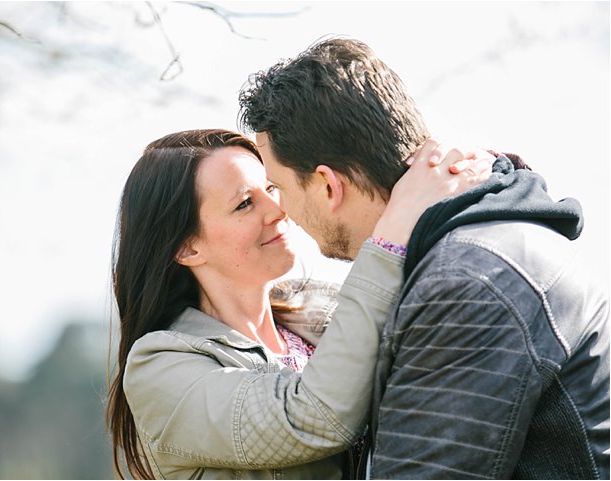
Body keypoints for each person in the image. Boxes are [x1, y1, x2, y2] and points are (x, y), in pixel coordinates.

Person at [238, 37, 609, 479]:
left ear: (327, 186)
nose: (281, 210)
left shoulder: (466, 282)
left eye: (279, 186)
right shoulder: (482, 243)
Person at [105, 128, 490, 479]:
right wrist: (393, 230)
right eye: (244, 204)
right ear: (187, 247)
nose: (277, 211)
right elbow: (313, 417)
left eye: (271, 189)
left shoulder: (324, 309)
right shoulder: (159, 368)